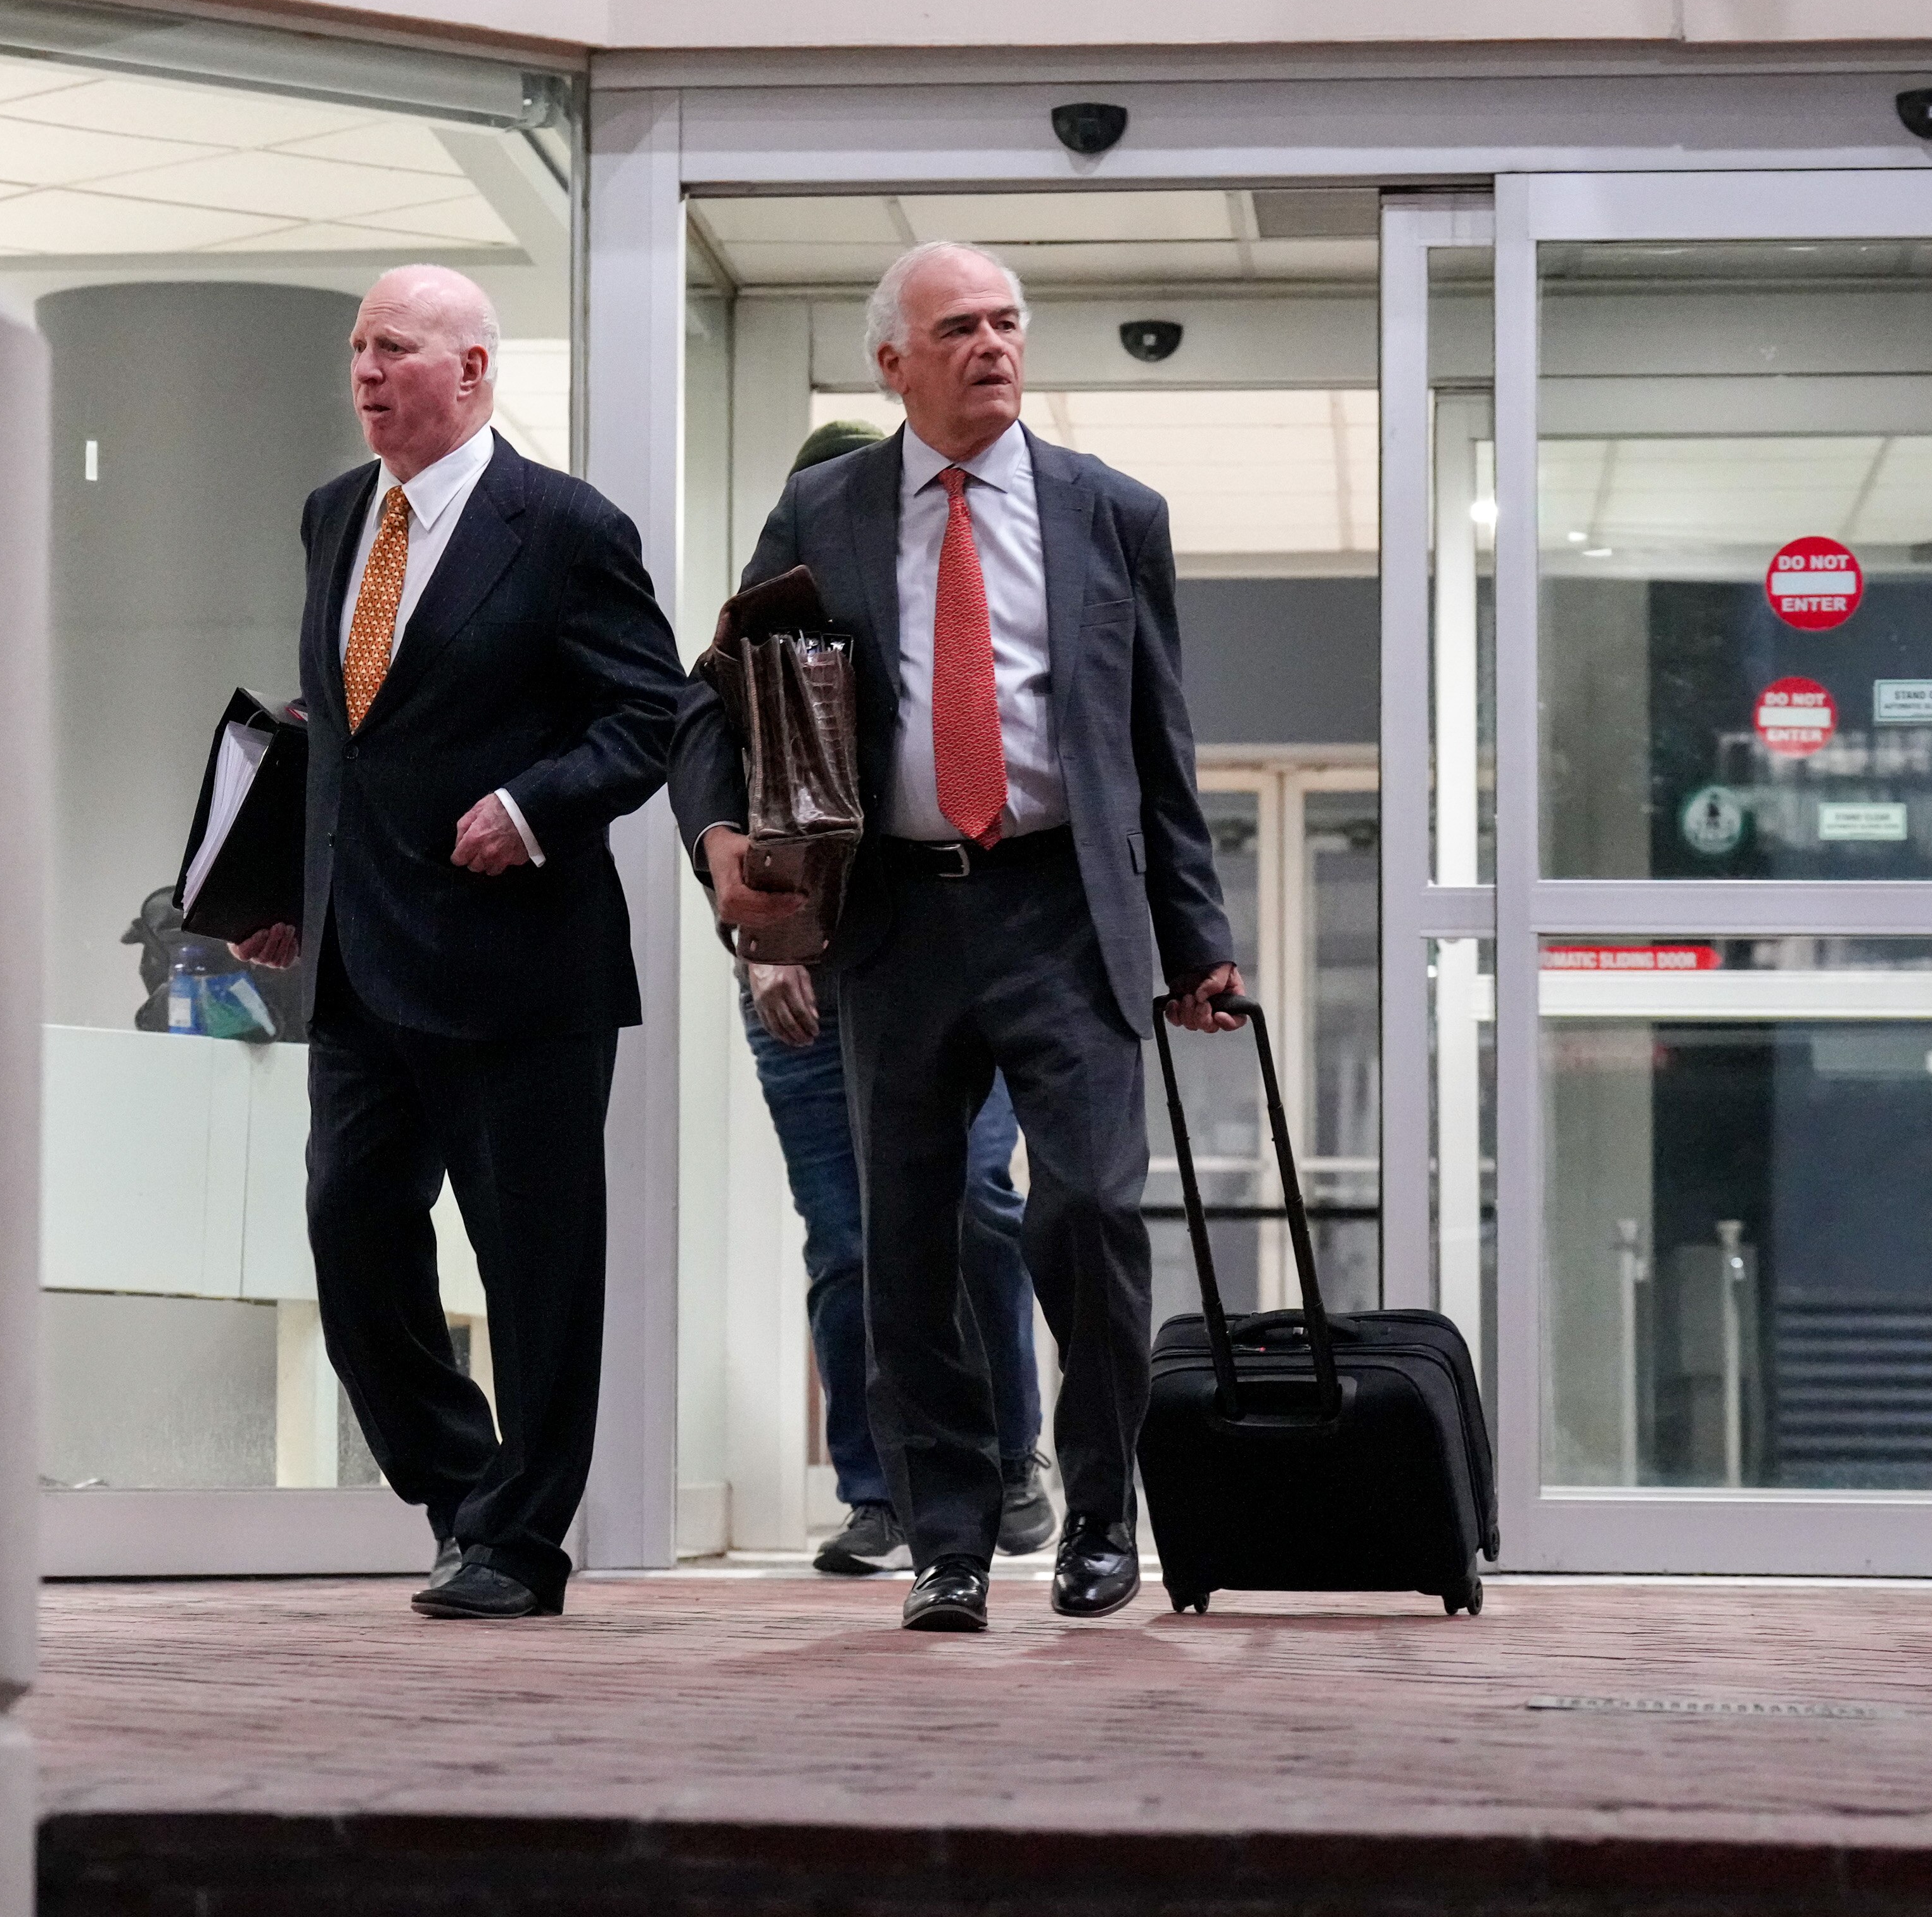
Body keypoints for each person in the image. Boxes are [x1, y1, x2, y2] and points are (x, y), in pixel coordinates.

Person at [672, 241, 1243, 1633]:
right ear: (892, 364)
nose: (991, 346)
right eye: (957, 329)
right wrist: (722, 839)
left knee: (1088, 1209)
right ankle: (945, 1540)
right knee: (907, 1236)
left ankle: (1099, 1513)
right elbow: (718, 700)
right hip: (897, 919)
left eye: (1005, 323)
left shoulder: (1112, 512)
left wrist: (1196, 938)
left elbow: (1155, 742)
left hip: (1065, 909)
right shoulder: (825, 507)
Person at [233, 264, 685, 1621]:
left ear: (473, 370)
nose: (366, 373)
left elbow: (649, 716)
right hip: (360, 957)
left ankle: (520, 1543)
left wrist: (535, 808)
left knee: (534, 1265)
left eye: (395, 349)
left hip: (519, 966)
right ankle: (463, 1488)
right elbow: (345, 734)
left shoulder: (564, 528)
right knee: (352, 1235)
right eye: (357, 349)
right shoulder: (333, 515)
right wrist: (280, 884)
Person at [734, 418, 1053, 1577]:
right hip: (806, 968)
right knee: (847, 1236)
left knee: (973, 1204)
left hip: (940, 960)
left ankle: (1008, 1458)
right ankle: (879, 1490)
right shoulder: (759, 644)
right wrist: (766, 946)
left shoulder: (941, 620)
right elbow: (735, 797)